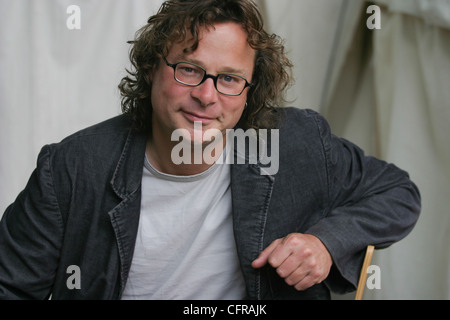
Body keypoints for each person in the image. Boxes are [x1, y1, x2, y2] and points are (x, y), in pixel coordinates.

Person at [0, 0, 420, 300]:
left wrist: (326, 242)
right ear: (151, 69)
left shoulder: (295, 142)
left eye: (230, 79)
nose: (207, 95)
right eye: (189, 69)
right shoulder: (72, 168)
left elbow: (398, 192)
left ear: (250, 88)